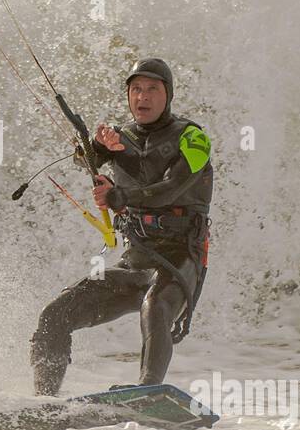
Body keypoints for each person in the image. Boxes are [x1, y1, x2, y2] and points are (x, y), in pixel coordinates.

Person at [29, 58, 213, 395]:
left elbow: (173, 188)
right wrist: (98, 148)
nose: (143, 97)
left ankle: (147, 393)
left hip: (179, 259)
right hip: (136, 262)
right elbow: (85, 161)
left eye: (152, 90)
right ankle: (44, 402)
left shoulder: (193, 137)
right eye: (136, 90)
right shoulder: (122, 136)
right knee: (54, 314)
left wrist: (120, 196)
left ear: (167, 95)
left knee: (156, 306)